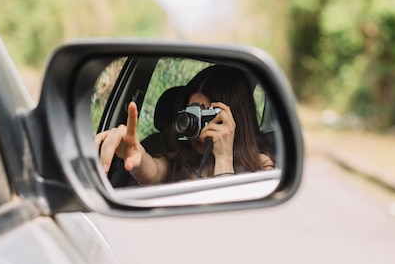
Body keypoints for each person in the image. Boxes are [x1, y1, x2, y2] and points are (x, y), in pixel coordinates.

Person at [95, 64, 274, 185]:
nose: (196, 126)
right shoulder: (179, 157)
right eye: (191, 115)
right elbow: (154, 172)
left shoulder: (260, 165)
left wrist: (224, 159)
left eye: (206, 116)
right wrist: (137, 158)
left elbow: (231, 222)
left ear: (233, 121)